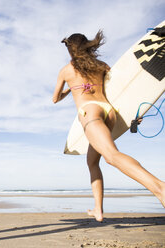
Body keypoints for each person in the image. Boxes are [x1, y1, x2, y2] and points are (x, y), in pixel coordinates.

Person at [53, 30, 165, 222]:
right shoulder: (101, 66)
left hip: (90, 112)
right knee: (92, 161)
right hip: (109, 112)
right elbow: (120, 89)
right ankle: (98, 209)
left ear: (71, 50)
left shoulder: (66, 70)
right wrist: (132, 115)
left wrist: (70, 89)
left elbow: (55, 98)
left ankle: (160, 188)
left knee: (112, 156)